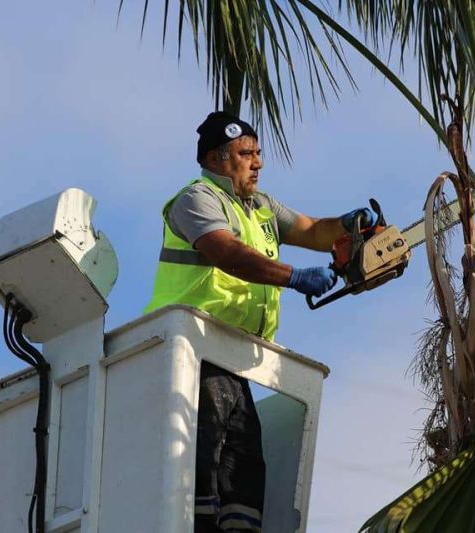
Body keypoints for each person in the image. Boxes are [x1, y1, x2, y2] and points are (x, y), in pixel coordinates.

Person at [144, 111, 376, 532]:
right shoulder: (196, 200)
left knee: (244, 469)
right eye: (246, 154)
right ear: (215, 160)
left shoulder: (261, 207)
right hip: (195, 351)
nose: (258, 163)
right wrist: (294, 276)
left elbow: (312, 230)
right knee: (202, 461)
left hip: (234, 357)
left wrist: (347, 226)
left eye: (257, 153)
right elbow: (227, 254)